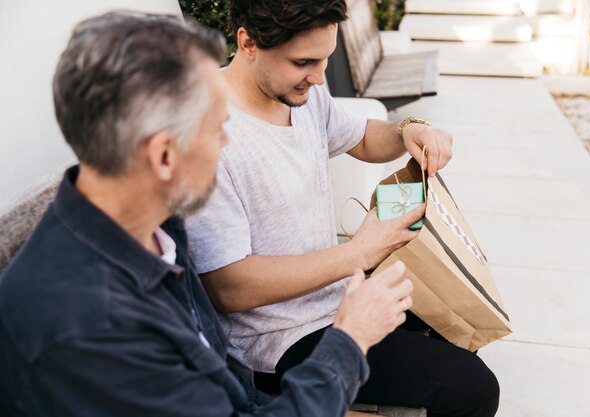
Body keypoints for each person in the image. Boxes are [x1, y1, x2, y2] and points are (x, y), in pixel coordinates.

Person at [0, 12, 416, 417]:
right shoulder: (91, 328)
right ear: (164, 156)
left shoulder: (153, 225)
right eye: (217, 128)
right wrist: (349, 339)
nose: (226, 141)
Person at [186, 1, 499, 416]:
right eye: (304, 62)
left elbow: (364, 138)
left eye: (325, 59)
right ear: (247, 43)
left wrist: (411, 130)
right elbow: (229, 289)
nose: (318, 77)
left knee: (461, 332)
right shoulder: (206, 137)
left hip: (338, 301)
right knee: (472, 389)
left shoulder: (301, 93)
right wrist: (360, 253)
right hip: (277, 341)